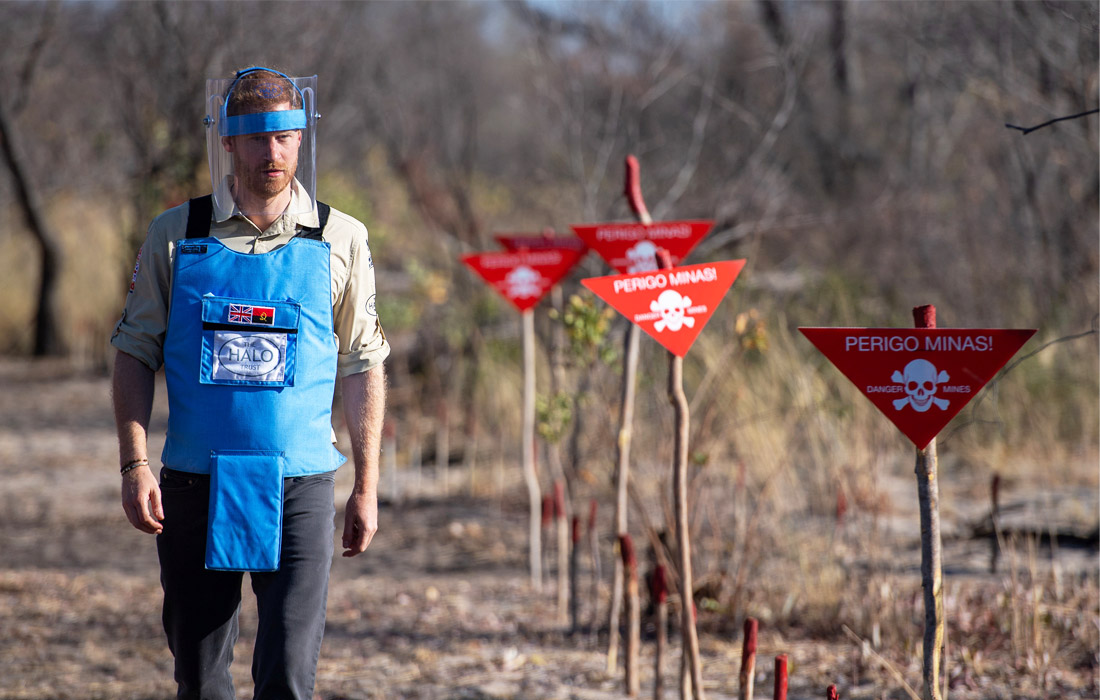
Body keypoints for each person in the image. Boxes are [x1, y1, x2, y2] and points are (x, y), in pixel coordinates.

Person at [110, 66, 388, 700]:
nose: (272, 152)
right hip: (193, 484)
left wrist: (366, 486)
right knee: (200, 675)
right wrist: (134, 465)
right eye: (257, 137)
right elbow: (131, 350)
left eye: (286, 136)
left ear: (302, 138)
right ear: (228, 141)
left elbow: (362, 361)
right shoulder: (177, 235)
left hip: (302, 485)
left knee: (290, 673)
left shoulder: (339, 237)